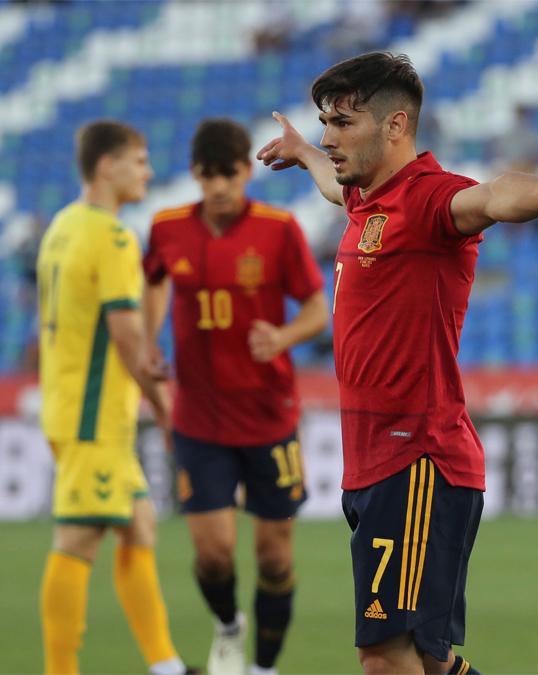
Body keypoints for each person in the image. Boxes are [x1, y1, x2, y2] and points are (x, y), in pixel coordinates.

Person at [256, 52, 538, 675]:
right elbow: (332, 183)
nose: (328, 137)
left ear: (395, 126)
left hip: (417, 457)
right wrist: (303, 154)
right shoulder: (365, 199)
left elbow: (495, 196)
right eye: (324, 122)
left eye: (343, 124)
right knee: (428, 664)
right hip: (372, 460)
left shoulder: (431, 199)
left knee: (384, 659)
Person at [142, 118, 328, 675]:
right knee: (214, 552)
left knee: (274, 557)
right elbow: (153, 279)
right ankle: (228, 627)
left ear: (247, 171)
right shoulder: (167, 227)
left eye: (229, 173)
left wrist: (283, 336)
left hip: (269, 416)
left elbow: (320, 311)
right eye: (208, 175)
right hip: (199, 419)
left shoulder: (278, 229)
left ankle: (264, 668)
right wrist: (151, 338)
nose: (219, 186)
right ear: (195, 175)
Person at [35, 120, 194, 675]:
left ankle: (165, 664)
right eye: (139, 160)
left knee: (139, 523)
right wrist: (165, 405)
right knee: (79, 535)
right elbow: (126, 335)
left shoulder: (62, 226)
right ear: (107, 166)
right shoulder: (112, 235)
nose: (147, 171)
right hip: (92, 412)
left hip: (68, 401)